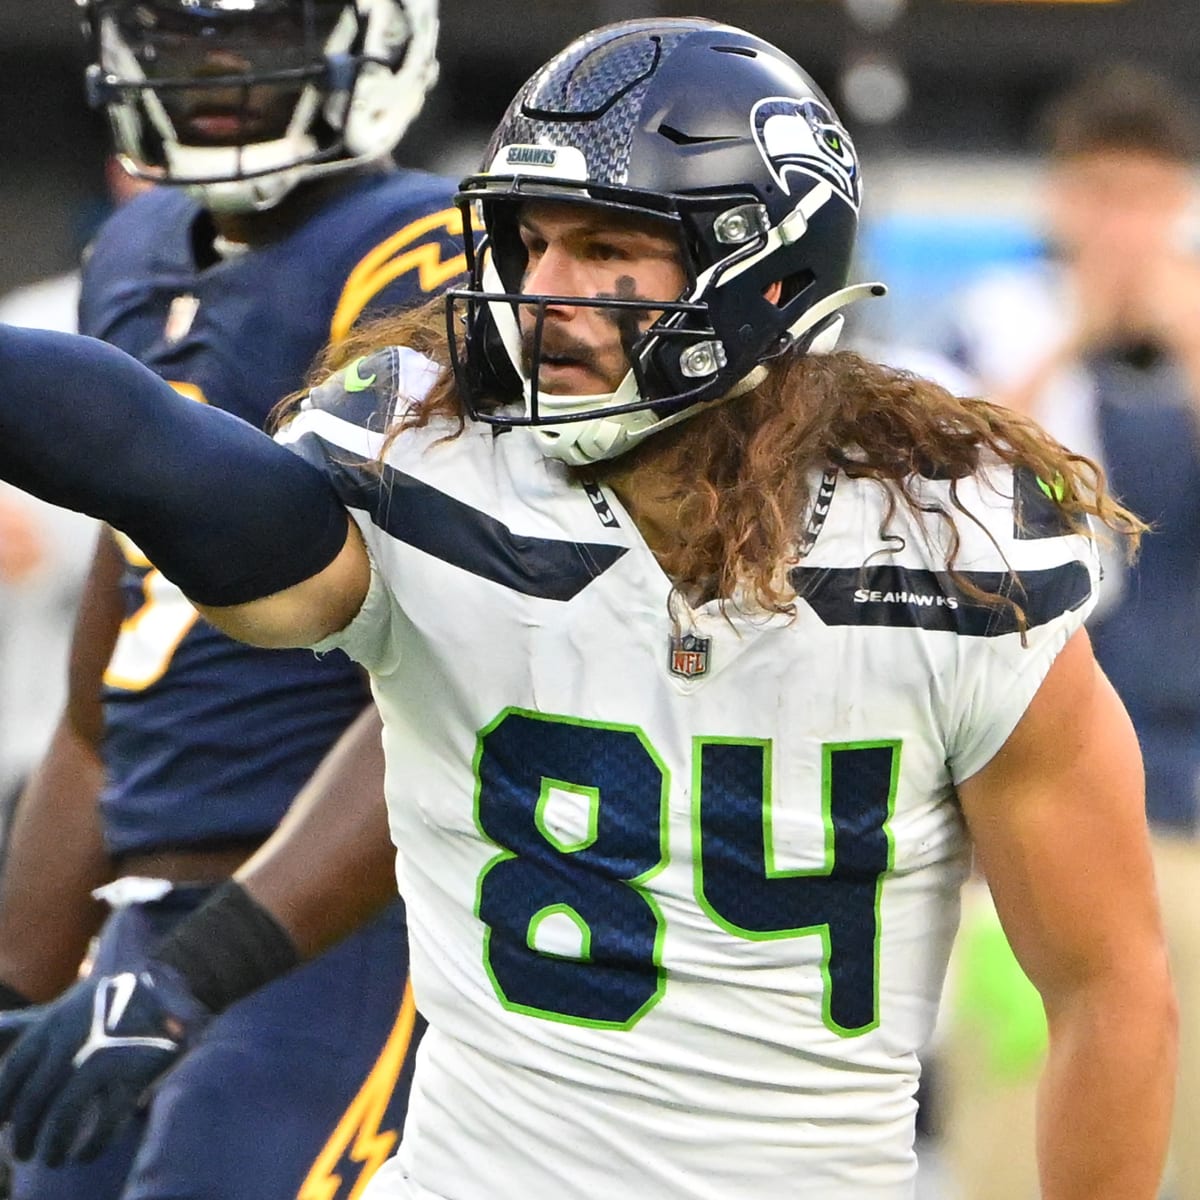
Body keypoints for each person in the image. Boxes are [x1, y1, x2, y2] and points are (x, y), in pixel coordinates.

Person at [0, 17, 1178, 1200]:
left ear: (767, 265)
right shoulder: (438, 464)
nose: (544, 294)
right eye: (529, 243)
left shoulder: (946, 548)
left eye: (607, 245)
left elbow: (1108, 986)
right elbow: (179, 477)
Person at [0, 0, 465, 1196]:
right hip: (144, 914)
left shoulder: (420, 247)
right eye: (177, 34)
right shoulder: (138, 246)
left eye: (261, 35)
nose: (214, 71)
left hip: (336, 924)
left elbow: (455, 655)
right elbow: (109, 693)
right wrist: (17, 980)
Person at [936, 63, 1200, 1199]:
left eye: (1145, 196)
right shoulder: (993, 322)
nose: (1121, 225)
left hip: (1189, 794)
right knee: (1016, 1119)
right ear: (1055, 197)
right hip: (1022, 804)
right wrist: (1070, 343)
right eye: (1097, 194)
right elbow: (954, 505)